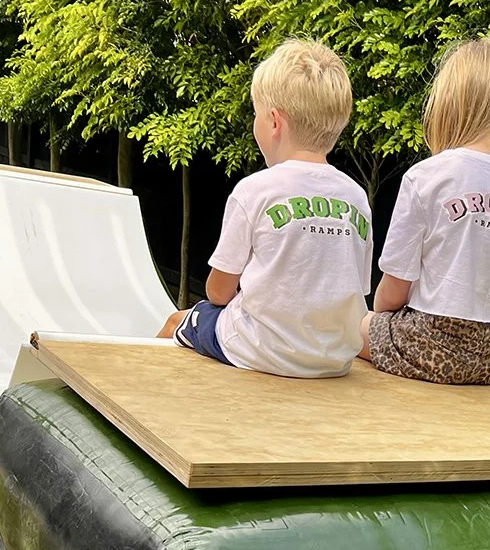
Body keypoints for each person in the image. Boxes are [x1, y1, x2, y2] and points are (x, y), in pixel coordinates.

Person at [159, 39, 372, 377]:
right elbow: (356, 288)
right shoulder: (357, 198)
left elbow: (217, 291)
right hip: (333, 361)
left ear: (273, 122)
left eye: (255, 114)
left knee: (177, 320)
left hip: (261, 351)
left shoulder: (255, 190)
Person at [360, 38, 490, 386]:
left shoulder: (427, 177)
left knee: (347, 323)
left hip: (426, 344)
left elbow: (393, 292)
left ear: (449, 103)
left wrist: (377, 320)